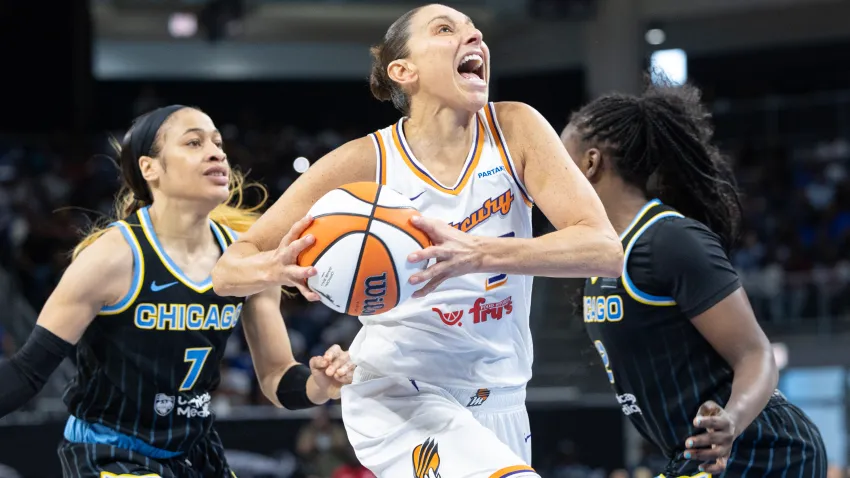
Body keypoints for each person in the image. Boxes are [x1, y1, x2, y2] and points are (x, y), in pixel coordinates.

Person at [211, 4, 624, 477]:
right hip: (398, 392)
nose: (475, 38)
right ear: (402, 71)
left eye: (475, 31)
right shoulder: (364, 162)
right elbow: (228, 272)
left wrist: (477, 252)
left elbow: (604, 250)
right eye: (447, 30)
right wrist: (279, 267)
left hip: (503, 397)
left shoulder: (516, 128)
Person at [0, 105, 356, 478]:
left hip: (194, 452)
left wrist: (319, 384)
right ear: (149, 168)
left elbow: (277, 378)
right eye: (194, 142)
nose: (217, 151)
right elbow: (27, 372)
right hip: (110, 450)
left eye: (218, 143)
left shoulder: (247, 260)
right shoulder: (110, 258)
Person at [562, 79, 827, 477]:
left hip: (764, 449)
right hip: (696, 456)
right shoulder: (602, 256)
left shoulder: (669, 239)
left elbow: (756, 353)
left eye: (559, 162)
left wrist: (731, 421)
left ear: (591, 163)